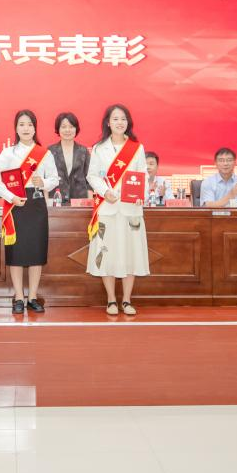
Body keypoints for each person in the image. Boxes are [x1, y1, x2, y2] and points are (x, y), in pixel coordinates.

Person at [0, 109, 59, 314]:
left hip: (36, 204)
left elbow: (54, 179)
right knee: (16, 253)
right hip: (15, 205)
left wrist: (42, 182)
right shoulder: (8, 153)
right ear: (16, 128)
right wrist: (10, 197)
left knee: (36, 252)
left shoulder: (44, 153)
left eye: (30, 124)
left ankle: (33, 297)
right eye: (22, 124)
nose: (26, 128)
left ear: (35, 128)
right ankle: (19, 297)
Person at [86, 104, 150, 316]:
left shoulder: (136, 148)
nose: (119, 122)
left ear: (128, 122)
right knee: (107, 253)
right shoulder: (99, 148)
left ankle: (127, 300)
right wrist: (105, 192)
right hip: (108, 208)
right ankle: (111, 300)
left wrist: (142, 194)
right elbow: (92, 176)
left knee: (131, 253)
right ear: (108, 122)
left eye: (123, 119)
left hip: (131, 209)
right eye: (115, 119)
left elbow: (143, 175)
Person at [48, 111, 90, 204]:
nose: (67, 130)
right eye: (63, 127)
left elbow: (89, 179)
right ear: (58, 129)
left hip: (79, 201)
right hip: (56, 200)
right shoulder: (50, 151)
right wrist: (46, 202)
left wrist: (90, 202)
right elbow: (45, 179)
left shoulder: (83, 151)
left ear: (76, 129)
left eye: (71, 127)